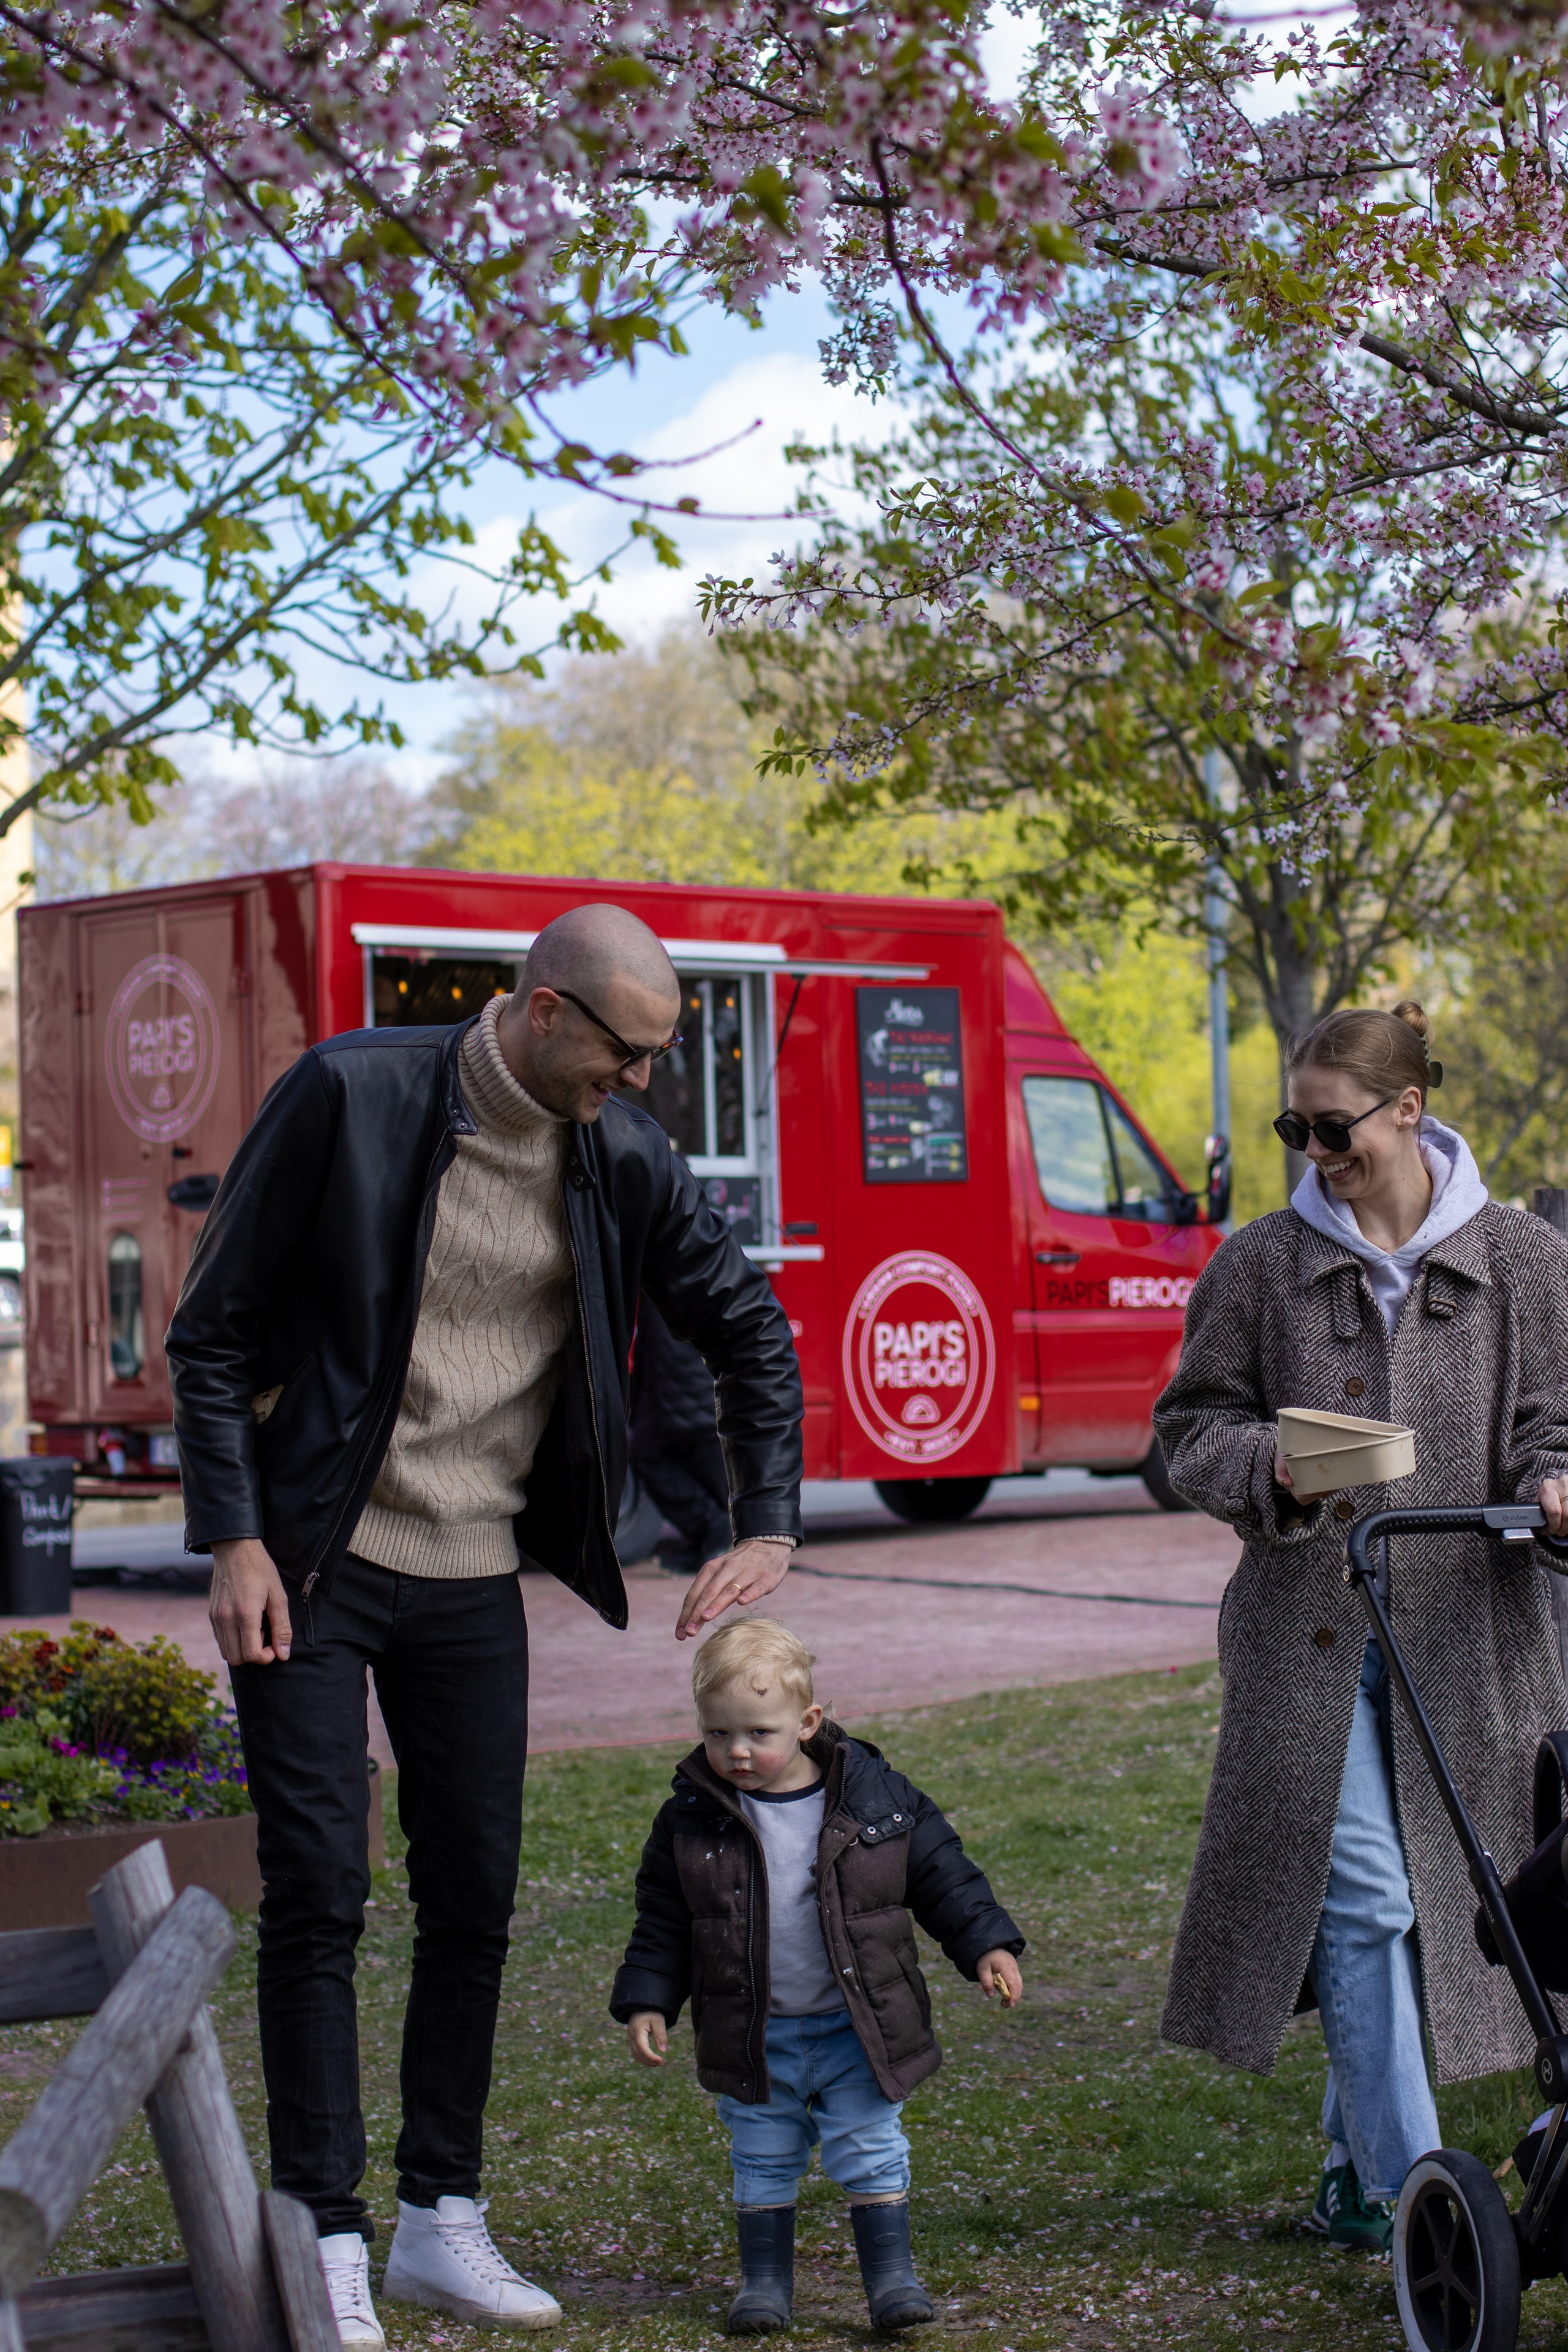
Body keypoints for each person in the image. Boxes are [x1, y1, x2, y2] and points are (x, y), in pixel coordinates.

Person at [165, 904, 805, 2345]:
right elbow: (210, 1332)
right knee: (320, 1886)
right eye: (625, 1053)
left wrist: (764, 1516)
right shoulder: (350, 1092)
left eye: (657, 1058)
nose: (640, 1083)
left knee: (473, 1897)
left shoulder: (619, 1155)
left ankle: (438, 2217)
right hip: (314, 1558)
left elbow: (747, 1326)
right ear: (542, 1014)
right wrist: (235, 1536)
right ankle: (319, 2221)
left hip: (468, 1573)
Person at [1155, 1001, 1568, 2253]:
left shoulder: (1523, 1261)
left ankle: (1350, 2160)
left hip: (1468, 1644)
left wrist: (1552, 1488)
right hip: (1304, 1642)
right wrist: (1268, 1467)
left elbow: (1553, 1427)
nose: (1310, 1150)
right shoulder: (1260, 1266)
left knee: (1460, 1900)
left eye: (1330, 1127)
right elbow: (1184, 1434)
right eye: (1295, 1126)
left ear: (1406, 1110)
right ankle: (1410, 2198)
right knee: (1370, 1907)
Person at [609, 1618, 1024, 2337]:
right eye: (716, 1734)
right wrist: (648, 1998)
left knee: (869, 2147)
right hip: (751, 2029)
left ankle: (891, 2280)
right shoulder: (690, 1818)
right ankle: (765, 2285)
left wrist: (986, 1944)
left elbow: (943, 1876)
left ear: (807, 1721)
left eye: (758, 1733)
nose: (735, 1752)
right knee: (762, 2156)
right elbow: (664, 1921)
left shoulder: (877, 1798)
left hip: (855, 2027)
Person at [629, 1294, 733, 1574]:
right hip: (662, 1377)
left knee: (705, 1466)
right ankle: (712, 1534)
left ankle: (714, 1539)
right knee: (649, 1454)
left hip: (688, 1379)